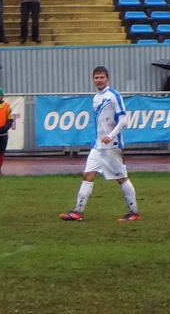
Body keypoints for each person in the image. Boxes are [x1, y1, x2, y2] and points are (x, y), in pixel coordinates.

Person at [60, 67, 140, 222]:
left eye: (102, 77)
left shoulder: (113, 96)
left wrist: (111, 136)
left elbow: (123, 120)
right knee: (88, 174)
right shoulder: (96, 97)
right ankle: (78, 212)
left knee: (121, 178)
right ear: (92, 79)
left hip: (112, 145)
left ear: (107, 78)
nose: (99, 80)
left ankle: (134, 212)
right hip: (98, 146)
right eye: (96, 77)